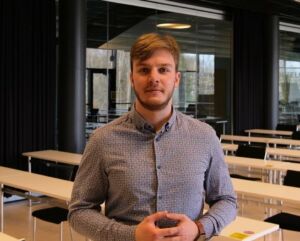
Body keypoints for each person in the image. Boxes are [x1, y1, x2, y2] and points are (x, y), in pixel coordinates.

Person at [68, 32, 237, 241]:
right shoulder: (103, 140)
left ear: (176, 78)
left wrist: (199, 228)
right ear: (132, 78)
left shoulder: (204, 136)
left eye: (163, 69)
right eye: (144, 69)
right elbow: (79, 211)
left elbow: (227, 200)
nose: (154, 77)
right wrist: (131, 235)